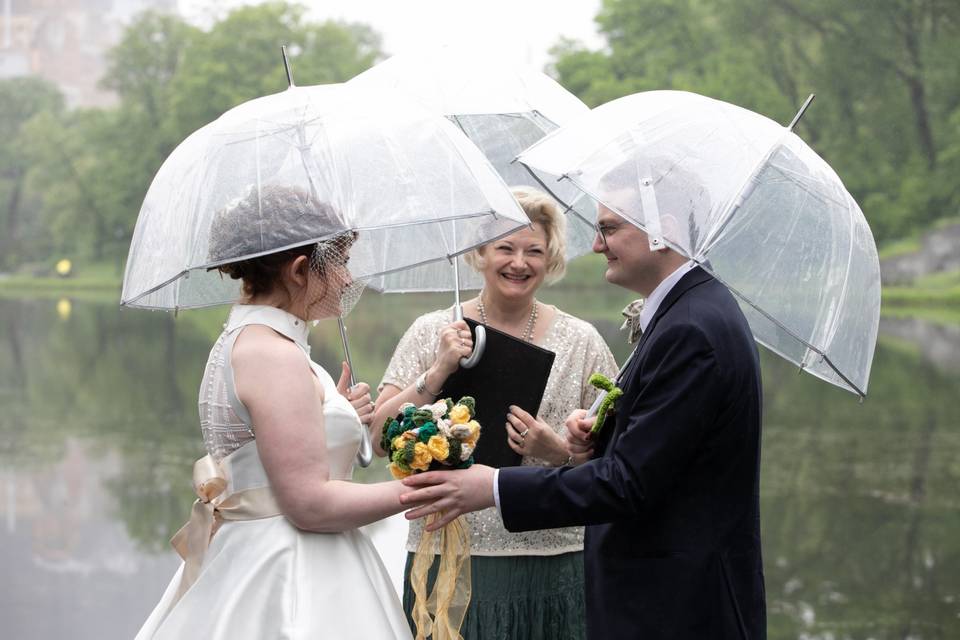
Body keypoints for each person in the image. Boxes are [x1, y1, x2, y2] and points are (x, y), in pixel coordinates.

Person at [400, 191, 767, 638]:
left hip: (678, 606)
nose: (596, 245)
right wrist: (598, 438)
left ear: (662, 232)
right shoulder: (687, 315)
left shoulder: (689, 328)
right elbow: (656, 455)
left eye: (610, 229)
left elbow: (627, 483)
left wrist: (494, 486)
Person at [135, 185, 412, 640]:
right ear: (301, 270)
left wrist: (338, 413)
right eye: (339, 263)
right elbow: (309, 504)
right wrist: (425, 491)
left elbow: (272, 449)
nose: (346, 279)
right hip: (291, 570)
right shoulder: (272, 355)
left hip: (263, 550)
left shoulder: (254, 339)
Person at [372, 187, 617, 639]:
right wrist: (439, 369)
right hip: (448, 559)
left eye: (534, 251)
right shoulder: (432, 331)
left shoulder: (583, 342)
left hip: (552, 562)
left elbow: (616, 464)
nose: (518, 262)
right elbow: (378, 439)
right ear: (480, 253)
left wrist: (560, 453)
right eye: (505, 247)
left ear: (552, 259)